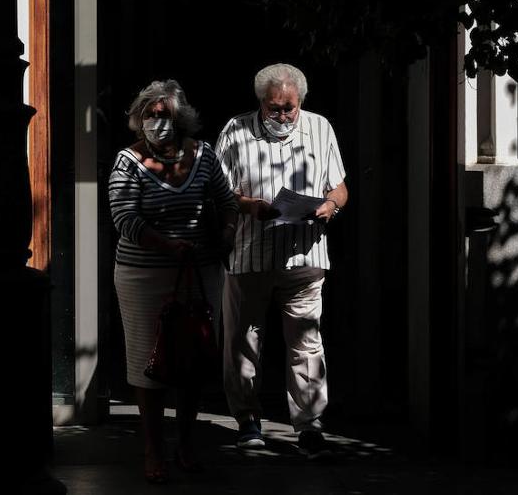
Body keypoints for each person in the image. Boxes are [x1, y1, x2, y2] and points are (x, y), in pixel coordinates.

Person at [214, 63, 347, 460]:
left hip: (305, 255)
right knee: (242, 341)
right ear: (261, 102)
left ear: (301, 102)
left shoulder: (320, 128)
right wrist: (248, 205)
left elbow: (339, 187)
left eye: (289, 108)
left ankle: (309, 424)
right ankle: (247, 419)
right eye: (275, 108)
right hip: (251, 253)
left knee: (307, 342)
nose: (283, 116)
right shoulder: (235, 131)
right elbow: (219, 191)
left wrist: (329, 206)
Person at [108, 79, 239, 483]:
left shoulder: (205, 156)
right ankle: (153, 449)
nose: (157, 122)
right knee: (149, 366)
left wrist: (227, 237)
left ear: (180, 119)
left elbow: (227, 201)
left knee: (192, 361)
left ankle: (186, 443)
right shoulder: (127, 162)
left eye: (164, 115)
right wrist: (167, 245)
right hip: (144, 277)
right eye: (150, 115)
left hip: (200, 274)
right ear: (138, 119)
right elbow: (125, 219)